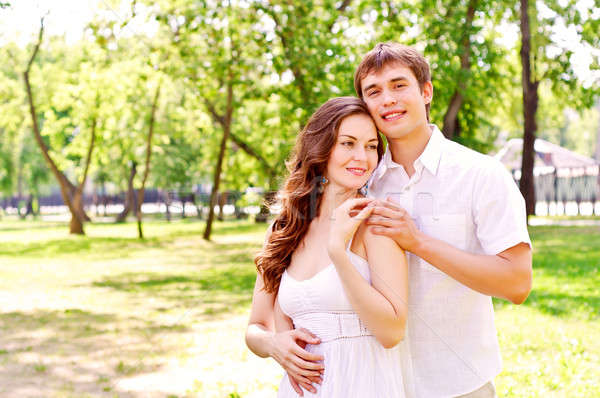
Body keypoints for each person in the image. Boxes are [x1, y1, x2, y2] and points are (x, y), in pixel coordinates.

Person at [354, 42, 533, 397]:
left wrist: (418, 242)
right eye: (374, 91)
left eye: (398, 85)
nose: (387, 99)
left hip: (458, 384)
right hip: (377, 383)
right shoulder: (362, 184)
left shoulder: (481, 174)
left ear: (426, 92)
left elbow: (517, 283)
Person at [245, 97, 415, 397]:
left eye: (371, 146)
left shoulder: (376, 225)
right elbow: (256, 326)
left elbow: (392, 332)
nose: (361, 157)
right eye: (347, 143)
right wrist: (273, 345)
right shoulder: (284, 229)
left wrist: (339, 252)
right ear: (321, 149)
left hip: (364, 384)